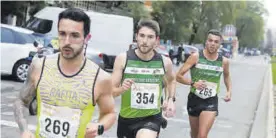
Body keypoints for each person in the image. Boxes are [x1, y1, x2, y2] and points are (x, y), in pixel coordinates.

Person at [13, 8, 116, 138]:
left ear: (86, 38)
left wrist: (99, 127)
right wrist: (24, 130)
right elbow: (21, 101)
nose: (67, 41)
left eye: (75, 35)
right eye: (62, 34)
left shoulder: (100, 78)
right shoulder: (40, 67)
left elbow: (109, 113)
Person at [112, 19, 176, 138]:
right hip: (127, 119)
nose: (145, 41)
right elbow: (111, 92)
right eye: (142, 36)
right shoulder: (123, 59)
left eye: (150, 37)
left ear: (157, 40)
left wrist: (171, 99)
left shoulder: (164, 62)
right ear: (136, 36)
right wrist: (122, 89)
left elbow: (171, 80)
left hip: (151, 118)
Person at [176, 29, 232, 138]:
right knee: (195, 134)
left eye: (216, 42)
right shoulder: (196, 57)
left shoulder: (224, 61)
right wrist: (193, 83)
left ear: (220, 44)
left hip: (211, 100)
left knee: (202, 135)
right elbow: (178, 76)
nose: (212, 44)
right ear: (206, 42)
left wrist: (229, 90)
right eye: (210, 40)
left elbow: (226, 76)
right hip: (194, 99)